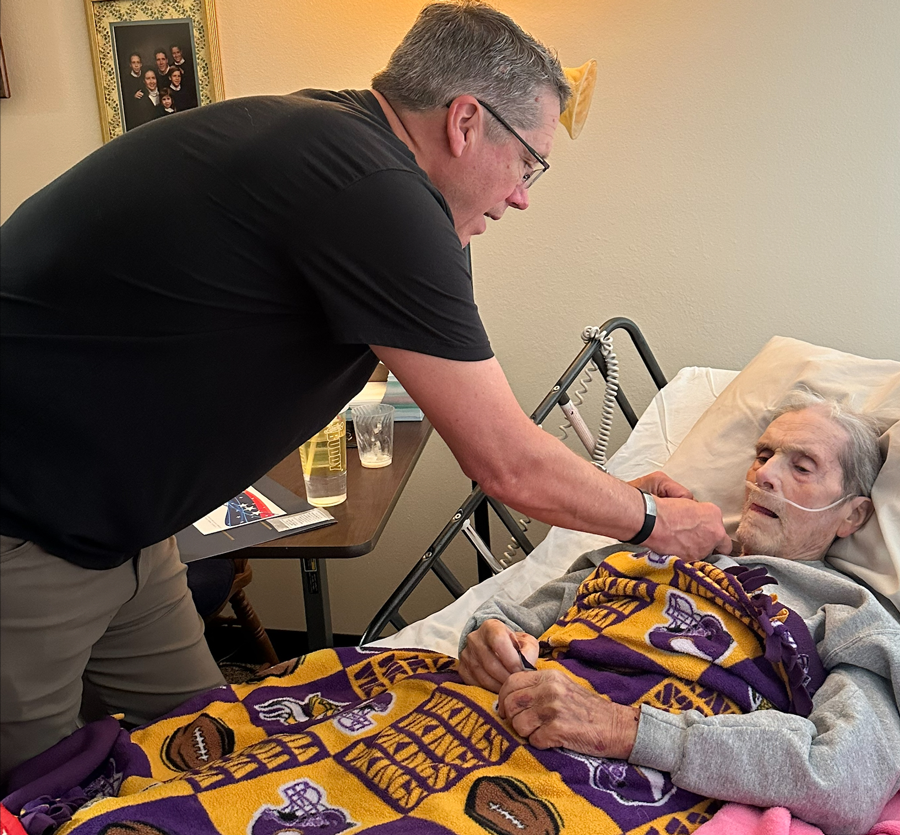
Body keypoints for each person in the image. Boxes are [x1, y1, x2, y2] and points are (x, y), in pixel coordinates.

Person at [0, 0, 729, 784]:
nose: (523, 196)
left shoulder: (335, 141)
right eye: (529, 163)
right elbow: (506, 461)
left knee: (213, 757)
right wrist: (650, 520)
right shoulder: (374, 189)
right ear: (464, 122)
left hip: (128, 531)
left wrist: (610, 492)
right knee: (41, 792)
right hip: (25, 527)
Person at [458, 391, 900, 834]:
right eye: (763, 456)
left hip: (609, 781)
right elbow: (515, 618)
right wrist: (487, 639)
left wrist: (623, 728)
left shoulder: (851, 615)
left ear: (852, 516)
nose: (763, 475)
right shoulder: (655, 553)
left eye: (802, 467)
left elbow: (845, 777)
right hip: (487, 719)